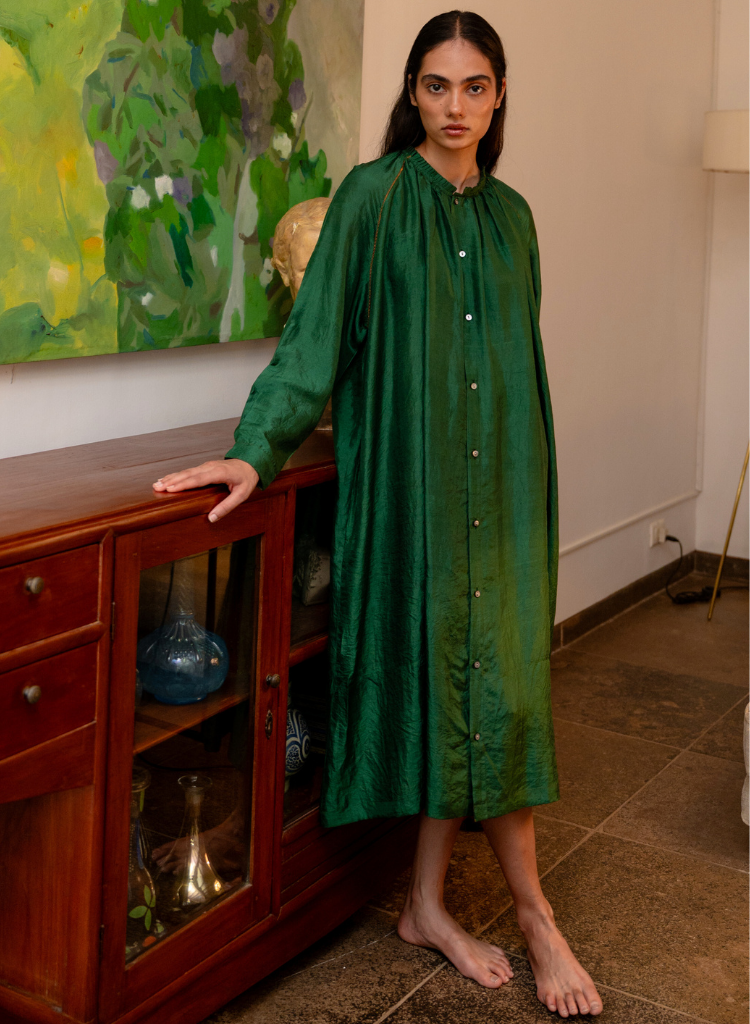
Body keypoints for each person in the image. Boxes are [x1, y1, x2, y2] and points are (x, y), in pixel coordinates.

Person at [154, 10, 603, 1018]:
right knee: (462, 688)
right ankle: (534, 917)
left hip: (507, 489)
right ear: (412, 93)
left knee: (494, 692)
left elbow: (513, 361)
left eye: (475, 86)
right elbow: (314, 342)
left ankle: (428, 906)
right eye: (437, 86)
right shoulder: (372, 197)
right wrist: (253, 449)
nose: (456, 106)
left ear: (500, 95)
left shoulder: (515, 217)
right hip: (420, 490)